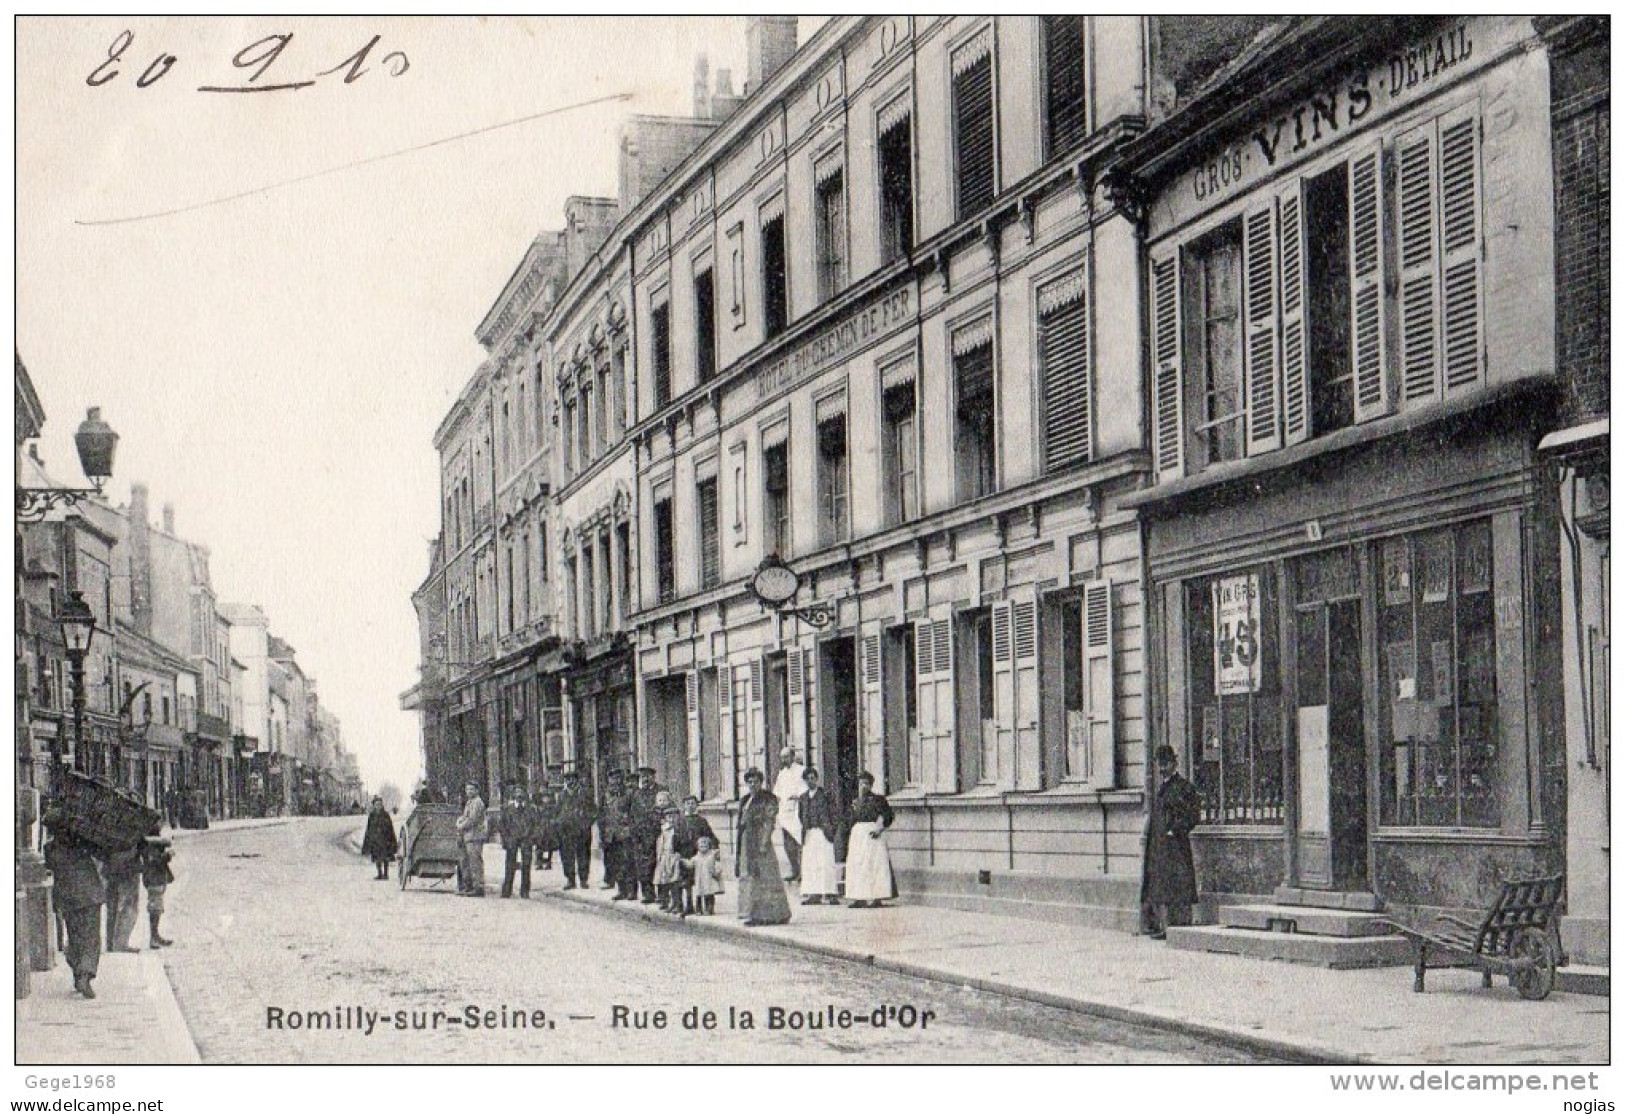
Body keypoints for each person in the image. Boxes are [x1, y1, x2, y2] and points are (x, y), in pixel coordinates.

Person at [1140, 744, 1201, 940]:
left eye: (1166, 764)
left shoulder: (1184, 788)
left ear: (1174, 764)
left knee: (1179, 886)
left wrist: (1175, 830)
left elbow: (1193, 816)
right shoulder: (1161, 789)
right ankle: (1166, 928)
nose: (1162, 768)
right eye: (1160, 764)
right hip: (1160, 847)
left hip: (1176, 846)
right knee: (1162, 886)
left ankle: (1181, 927)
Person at [44, 817, 106, 999]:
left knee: (75, 935)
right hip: (89, 895)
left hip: (68, 897)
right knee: (91, 937)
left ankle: (78, 973)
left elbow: (50, 866)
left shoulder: (50, 849)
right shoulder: (83, 842)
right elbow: (102, 852)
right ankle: (85, 974)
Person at [735, 768, 791, 926]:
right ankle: (751, 912)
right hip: (747, 841)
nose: (753, 785)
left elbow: (769, 822)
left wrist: (763, 843)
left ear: (761, 782)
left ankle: (769, 915)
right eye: (750, 782)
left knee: (765, 877)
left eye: (756, 781)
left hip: (760, 842)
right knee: (750, 876)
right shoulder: (746, 799)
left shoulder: (768, 798)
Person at [844, 771, 896, 908]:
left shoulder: (879, 800)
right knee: (857, 865)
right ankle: (858, 897)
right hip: (858, 836)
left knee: (874, 864)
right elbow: (850, 819)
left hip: (872, 834)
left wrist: (879, 829)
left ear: (871, 785)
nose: (863, 786)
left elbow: (888, 816)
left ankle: (876, 897)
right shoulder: (855, 801)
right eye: (861, 783)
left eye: (866, 783)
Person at [797, 767, 841, 905]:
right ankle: (813, 893)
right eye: (808, 779)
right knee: (811, 864)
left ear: (817, 779)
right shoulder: (803, 798)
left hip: (823, 833)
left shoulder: (825, 795)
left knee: (826, 863)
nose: (811, 781)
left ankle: (830, 893)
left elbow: (834, 813)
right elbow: (800, 815)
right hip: (810, 833)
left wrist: (831, 829)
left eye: (813, 778)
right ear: (804, 781)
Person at [672, 795, 716, 915]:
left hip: (699, 854)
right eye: (688, 803)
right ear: (684, 806)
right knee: (686, 881)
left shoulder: (701, 821)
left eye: (693, 803)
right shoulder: (680, 821)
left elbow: (710, 837)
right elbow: (675, 837)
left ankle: (706, 906)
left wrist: (711, 851)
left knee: (703, 879)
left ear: (696, 805)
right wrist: (676, 852)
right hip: (685, 853)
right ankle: (687, 905)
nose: (690, 806)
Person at [554, 768, 595, 890]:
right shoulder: (561, 796)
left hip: (582, 831)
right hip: (566, 832)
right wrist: (559, 823)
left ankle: (583, 879)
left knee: (583, 855)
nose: (570, 782)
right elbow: (556, 812)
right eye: (567, 780)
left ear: (577, 780)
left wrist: (587, 823)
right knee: (567, 856)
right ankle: (570, 879)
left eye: (572, 779)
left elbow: (593, 811)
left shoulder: (585, 794)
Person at [629, 767, 664, 904]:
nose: (645, 779)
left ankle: (662, 895)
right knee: (644, 865)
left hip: (658, 832)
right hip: (642, 834)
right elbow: (633, 814)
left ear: (653, 777)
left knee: (660, 864)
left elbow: (668, 809)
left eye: (648, 776)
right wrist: (634, 831)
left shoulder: (661, 791)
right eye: (643, 777)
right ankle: (648, 894)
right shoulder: (637, 794)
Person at [771, 748, 806, 882]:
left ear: (792, 756)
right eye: (782, 757)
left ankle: (803, 872)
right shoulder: (782, 773)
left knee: (799, 841)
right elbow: (777, 792)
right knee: (787, 843)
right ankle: (794, 869)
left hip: (797, 810)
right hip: (784, 812)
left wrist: (797, 796)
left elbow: (805, 789)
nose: (784, 760)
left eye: (786, 757)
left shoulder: (801, 771)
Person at [498, 785, 538, 899]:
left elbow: (537, 825)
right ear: (513, 795)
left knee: (526, 865)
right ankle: (507, 890)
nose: (519, 795)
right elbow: (502, 825)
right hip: (512, 840)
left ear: (525, 795)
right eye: (517, 793)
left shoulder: (531, 809)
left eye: (521, 793)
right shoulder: (507, 809)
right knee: (510, 865)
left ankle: (525, 891)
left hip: (526, 839)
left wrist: (532, 838)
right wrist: (506, 839)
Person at [103, 842, 143, 953]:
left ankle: (111, 943)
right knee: (128, 906)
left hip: (111, 867)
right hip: (128, 867)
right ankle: (120, 944)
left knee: (112, 907)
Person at [600, 769, 633, 898]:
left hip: (625, 833)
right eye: (613, 779)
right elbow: (601, 815)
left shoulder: (628, 794)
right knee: (615, 863)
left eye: (618, 779)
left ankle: (631, 891)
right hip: (610, 834)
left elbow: (633, 813)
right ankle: (621, 890)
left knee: (627, 862)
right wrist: (603, 833)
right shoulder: (606, 795)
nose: (615, 781)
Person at [454, 780, 488, 897]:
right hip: (468, 836)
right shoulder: (469, 802)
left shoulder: (478, 802)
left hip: (475, 836)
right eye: (467, 789)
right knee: (466, 862)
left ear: (477, 791)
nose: (469, 791)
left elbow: (472, 820)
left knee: (475, 862)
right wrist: (459, 820)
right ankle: (468, 887)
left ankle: (478, 887)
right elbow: (465, 816)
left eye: (471, 789)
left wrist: (460, 825)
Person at [141, 835, 175, 948]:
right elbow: (155, 861)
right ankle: (154, 937)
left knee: (157, 907)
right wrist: (168, 855)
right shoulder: (149, 842)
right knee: (155, 908)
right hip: (154, 878)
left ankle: (155, 936)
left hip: (156, 878)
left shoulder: (151, 840)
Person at [653, 809, 685, 915]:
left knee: (675, 881)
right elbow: (660, 843)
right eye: (669, 817)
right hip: (664, 856)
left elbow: (682, 843)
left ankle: (678, 904)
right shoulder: (663, 829)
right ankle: (667, 902)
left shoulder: (679, 830)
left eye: (673, 816)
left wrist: (679, 854)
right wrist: (659, 855)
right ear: (666, 818)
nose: (671, 819)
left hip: (674, 856)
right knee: (664, 880)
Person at [361, 796, 399, 881]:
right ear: (374, 805)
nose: (378, 806)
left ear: (382, 805)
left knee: (385, 858)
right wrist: (368, 839)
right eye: (376, 804)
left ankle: (386, 874)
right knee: (377, 858)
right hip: (375, 840)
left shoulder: (385, 815)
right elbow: (369, 828)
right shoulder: (372, 815)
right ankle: (379, 874)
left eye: (380, 804)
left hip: (385, 839)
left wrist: (391, 840)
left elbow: (390, 827)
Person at [687, 835, 724, 915]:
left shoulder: (712, 856)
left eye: (705, 846)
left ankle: (709, 909)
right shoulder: (696, 857)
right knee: (699, 895)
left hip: (709, 879)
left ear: (709, 846)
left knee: (709, 895)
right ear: (698, 847)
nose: (703, 848)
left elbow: (717, 865)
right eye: (701, 846)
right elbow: (690, 865)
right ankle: (698, 909)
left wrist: (716, 872)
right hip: (699, 879)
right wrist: (683, 862)